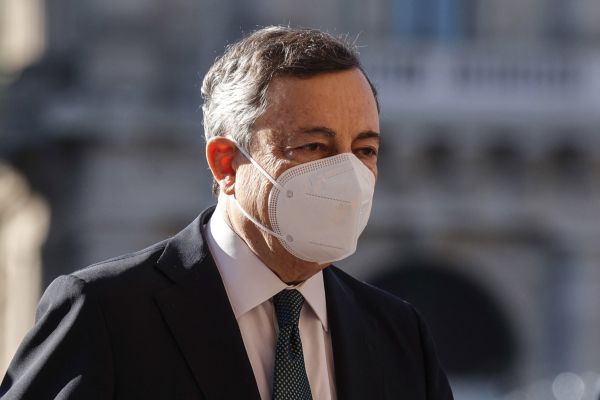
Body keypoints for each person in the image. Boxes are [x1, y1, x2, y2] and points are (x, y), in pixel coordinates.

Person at [0, 26, 453, 400]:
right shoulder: (106, 312)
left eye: (365, 150)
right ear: (226, 163)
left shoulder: (399, 335)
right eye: (313, 146)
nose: (347, 174)